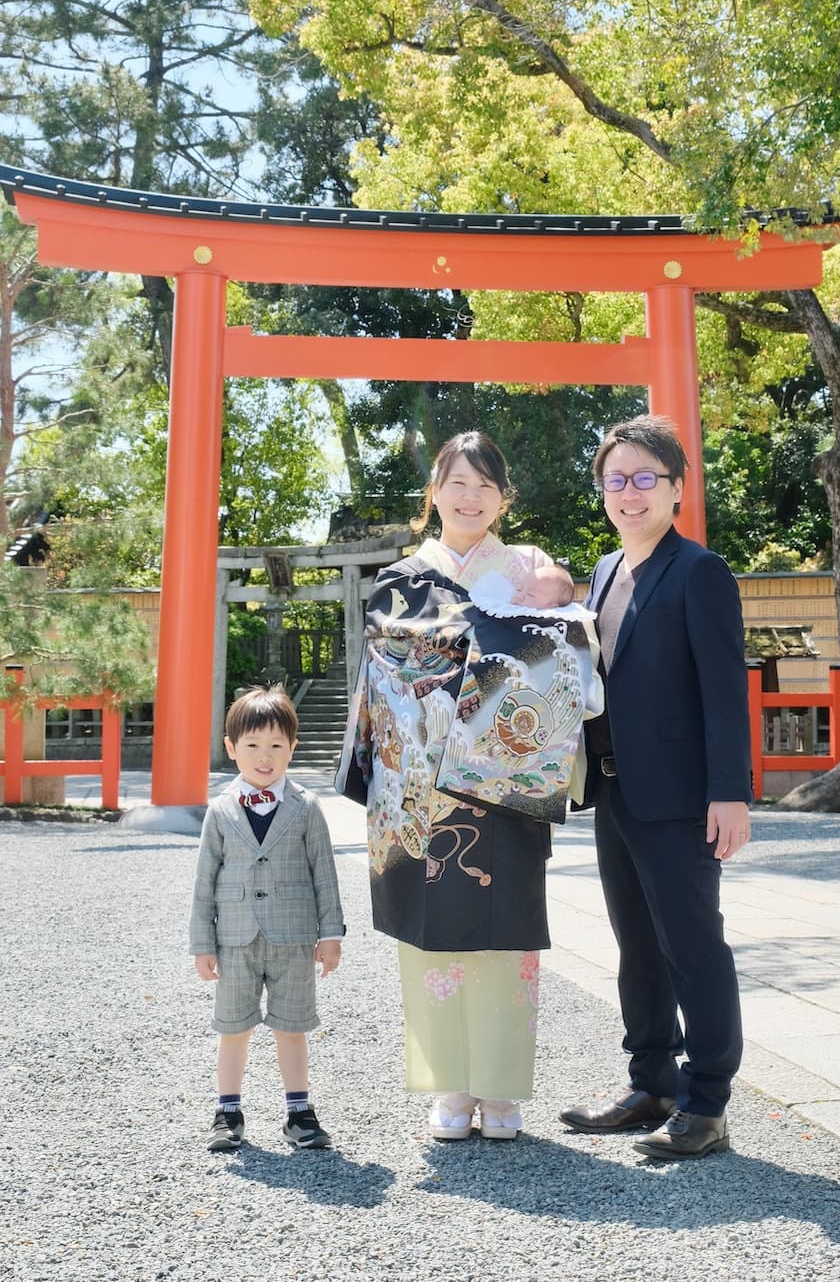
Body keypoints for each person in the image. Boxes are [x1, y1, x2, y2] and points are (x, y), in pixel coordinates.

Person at [337, 430, 599, 1142]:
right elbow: (385, 679)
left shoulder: (532, 569)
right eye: (457, 481)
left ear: (503, 498)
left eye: (486, 484)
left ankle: (503, 1090)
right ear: (433, 493)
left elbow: (560, 660)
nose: (471, 496)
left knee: (508, 937)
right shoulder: (401, 577)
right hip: (423, 791)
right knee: (432, 941)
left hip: (507, 781)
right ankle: (449, 1086)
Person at [559, 414, 752, 1160]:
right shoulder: (607, 570)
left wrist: (729, 793)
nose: (629, 492)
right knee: (636, 947)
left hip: (680, 797)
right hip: (614, 792)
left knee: (693, 948)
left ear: (676, 488)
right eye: (616, 479)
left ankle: (707, 1103)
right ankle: (653, 1083)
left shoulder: (698, 570)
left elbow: (723, 692)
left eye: (646, 478)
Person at [190, 686, 344, 1153]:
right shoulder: (219, 810)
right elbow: (204, 881)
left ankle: (299, 1112)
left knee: (291, 1025)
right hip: (234, 937)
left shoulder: (306, 806)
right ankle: (227, 1110)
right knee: (233, 1026)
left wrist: (331, 933)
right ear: (231, 747)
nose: (265, 757)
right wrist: (202, 943)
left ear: (292, 748)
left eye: (277, 746)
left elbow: (324, 872)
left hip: (294, 935)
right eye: (252, 746)